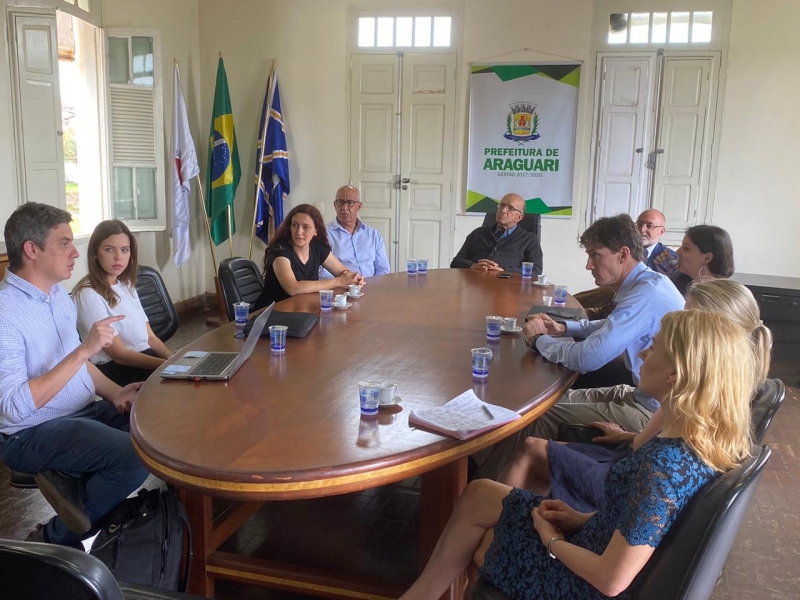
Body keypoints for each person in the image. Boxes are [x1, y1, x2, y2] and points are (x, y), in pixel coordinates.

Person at [401, 310, 754, 600]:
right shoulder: (693, 442)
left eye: (653, 348)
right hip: (594, 541)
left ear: (676, 374)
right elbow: (641, 524)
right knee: (480, 494)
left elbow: (612, 580)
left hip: (581, 583)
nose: (643, 354)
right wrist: (582, 519)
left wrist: (549, 537)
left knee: (484, 543)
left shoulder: (663, 468)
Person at [499, 279, 773, 510]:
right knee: (543, 413)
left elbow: (648, 454)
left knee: (532, 426)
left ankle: (494, 499)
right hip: (634, 455)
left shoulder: (692, 390)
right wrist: (627, 437)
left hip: (626, 476)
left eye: (690, 317)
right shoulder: (729, 384)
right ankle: (510, 512)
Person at [472, 214, 684, 480]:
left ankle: (484, 488)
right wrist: (563, 329)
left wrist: (539, 341)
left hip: (652, 412)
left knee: (532, 417)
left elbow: (589, 358)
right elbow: (612, 325)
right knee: (540, 403)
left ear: (623, 254)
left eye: (595, 256)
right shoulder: (650, 283)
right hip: (643, 396)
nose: (588, 265)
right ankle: (487, 470)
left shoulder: (644, 296)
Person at [0, 203, 149, 548]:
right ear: (31, 249)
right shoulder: (6, 312)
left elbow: (81, 367)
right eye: (64, 243)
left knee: (159, 419)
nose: (74, 252)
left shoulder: (57, 297)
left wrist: (116, 393)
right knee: (134, 455)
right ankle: (52, 540)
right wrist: (84, 349)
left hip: (81, 413)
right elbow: (11, 408)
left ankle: (91, 496)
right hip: (29, 433)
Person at [72, 220, 173, 386]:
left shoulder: (126, 284)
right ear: (95, 253)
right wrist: (168, 366)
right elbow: (119, 355)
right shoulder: (87, 293)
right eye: (109, 249)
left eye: (125, 250)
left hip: (147, 359)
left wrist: (173, 359)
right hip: (121, 369)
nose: (118, 257)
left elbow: (151, 337)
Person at [252, 204, 365, 310]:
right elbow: (293, 288)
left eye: (306, 227)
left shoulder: (317, 248)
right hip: (272, 313)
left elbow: (343, 272)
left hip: (302, 310)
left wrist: (354, 278)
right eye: (294, 225)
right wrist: (339, 281)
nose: (298, 232)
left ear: (316, 230)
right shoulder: (279, 250)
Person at [574, 209, 678, 319]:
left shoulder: (667, 258)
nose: (642, 230)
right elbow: (609, 325)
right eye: (640, 224)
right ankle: (565, 305)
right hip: (619, 296)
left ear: (624, 255)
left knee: (606, 291)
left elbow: (608, 334)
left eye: (649, 226)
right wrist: (566, 327)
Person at [450, 193, 543, 274]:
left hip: (509, 289)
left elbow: (536, 270)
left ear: (519, 217)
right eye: (502, 205)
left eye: (510, 208)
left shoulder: (529, 240)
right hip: (476, 285)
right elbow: (456, 262)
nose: (503, 211)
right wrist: (472, 265)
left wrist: (503, 270)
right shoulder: (478, 233)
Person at [320, 185, 390, 278]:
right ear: (335, 205)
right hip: (341, 289)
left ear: (359, 206)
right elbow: (322, 271)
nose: (344, 208)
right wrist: (341, 283)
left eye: (350, 203)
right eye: (340, 202)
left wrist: (375, 286)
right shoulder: (324, 234)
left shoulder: (373, 234)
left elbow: (383, 268)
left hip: (373, 287)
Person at [672, 224, 735, 295]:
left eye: (686, 248)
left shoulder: (721, 300)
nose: (677, 252)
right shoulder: (683, 283)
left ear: (707, 258)